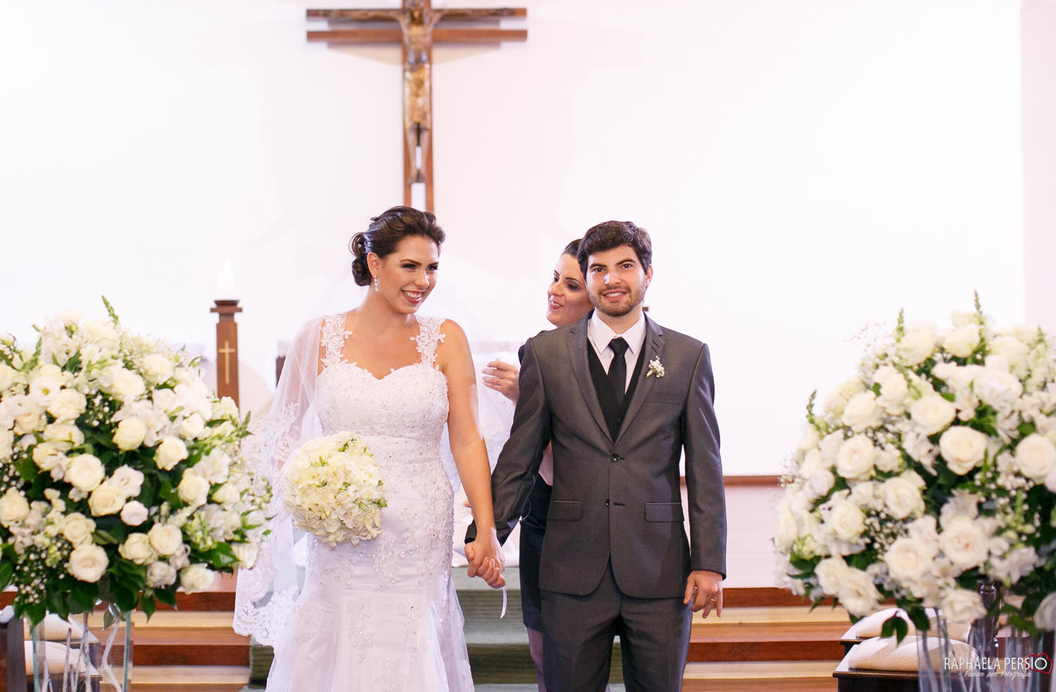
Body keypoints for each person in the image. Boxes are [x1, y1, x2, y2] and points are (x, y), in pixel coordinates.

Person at [234, 206, 505, 692]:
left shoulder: (446, 338)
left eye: (432, 268)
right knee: (336, 626)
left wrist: (485, 527)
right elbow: (283, 438)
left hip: (419, 529)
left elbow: (467, 438)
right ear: (375, 263)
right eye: (410, 266)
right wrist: (301, 493)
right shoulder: (317, 337)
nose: (424, 281)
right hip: (338, 529)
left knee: (412, 634)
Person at [469, 220, 727, 692]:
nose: (612, 279)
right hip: (571, 568)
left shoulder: (688, 356)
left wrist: (709, 561)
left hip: (659, 568)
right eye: (598, 269)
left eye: (625, 266)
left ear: (648, 273)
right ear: (588, 279)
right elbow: (520, 458)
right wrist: (487, 533)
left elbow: (705, 467)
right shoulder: (545, 354)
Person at [480, 239, 595, 692]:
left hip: (584, 525)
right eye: (555, 278)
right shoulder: (538, 351)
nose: (555, 290)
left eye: (571, 285)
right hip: (541, 521)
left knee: (574, 662)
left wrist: (525, 399)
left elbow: (561, 468)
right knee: (543, 654)